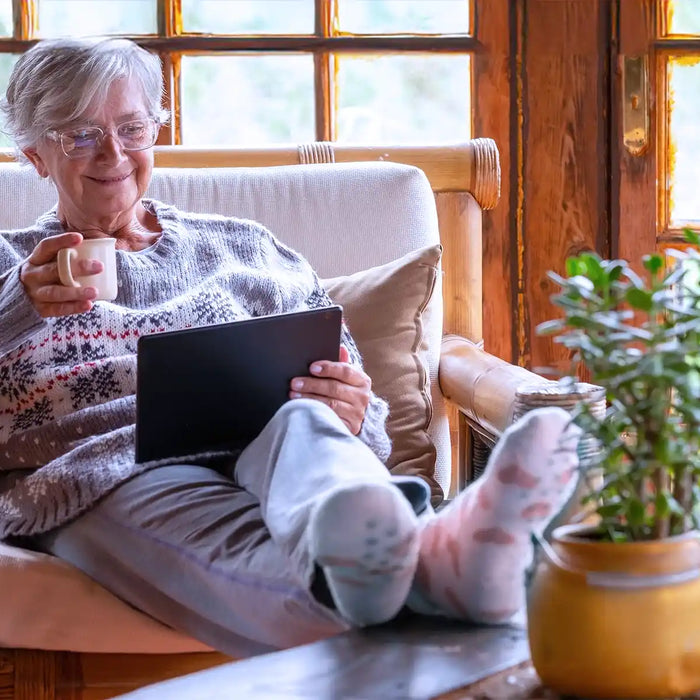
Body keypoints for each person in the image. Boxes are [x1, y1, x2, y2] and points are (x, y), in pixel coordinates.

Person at [0, 37, 582, 657]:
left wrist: (353, 409)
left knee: (306, 424)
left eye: (131, 127)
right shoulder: (11, 265)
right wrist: (17, 305)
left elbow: (358, 403)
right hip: (108, 474)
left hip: (276, 448)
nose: (114, 153)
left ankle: (390, 532)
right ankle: (443, 564)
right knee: (235, 543)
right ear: (35, 154)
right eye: (81, 135)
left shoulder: (247, 247)